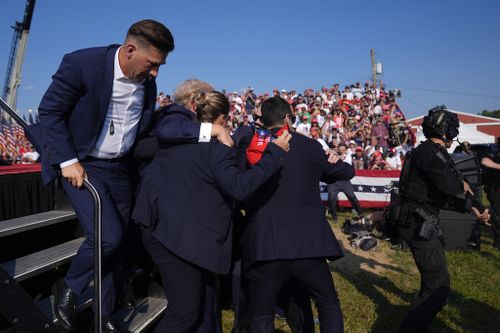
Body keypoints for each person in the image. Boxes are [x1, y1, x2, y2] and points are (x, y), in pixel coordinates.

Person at [38, 20, 202, 332]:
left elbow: (140, 136)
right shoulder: (81, 64)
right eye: (152, 64)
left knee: (120, 244)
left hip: (121, 170)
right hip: (83, 164)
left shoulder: (148, 85)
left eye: (159, 66)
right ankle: (69, 285)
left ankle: (104, 313)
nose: (155, 73)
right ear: (130, 50)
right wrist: (69, 160)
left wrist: (195, 137)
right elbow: (49, 113)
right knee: (107, 236)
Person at [132, 91, 291, 332]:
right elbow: (239, 187)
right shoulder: (216, 149)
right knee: (184, 313)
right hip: (176, 238)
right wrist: (274, 154)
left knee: (202, 302)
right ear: (223, 118)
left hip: (166, 230)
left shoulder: (178, 140)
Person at [242, 96, 354, 332]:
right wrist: (336, 157)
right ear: (287, 119)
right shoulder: (310, 146)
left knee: (262, 316)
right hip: (308, 246)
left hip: (266, 246)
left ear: (262, 120)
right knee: (327, 303)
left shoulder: (251, 147)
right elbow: (345, 171)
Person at [394, 106, 489, 332]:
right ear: (446, 131)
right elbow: (449, 186)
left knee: (432, 282)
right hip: (418, 224)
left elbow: (439, 196)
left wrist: (473, 207)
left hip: (419, 221)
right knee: (438, 286)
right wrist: (463, 188)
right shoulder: (429, 153)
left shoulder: (428, 151)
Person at [481, 137, 500, 249]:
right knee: (498, 218)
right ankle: (497, 244)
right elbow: (484, 161)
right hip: (496, 191)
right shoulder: (495, 153)